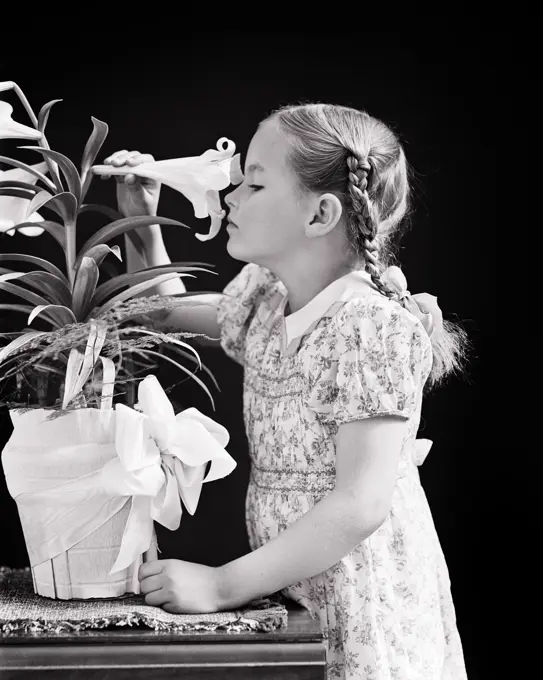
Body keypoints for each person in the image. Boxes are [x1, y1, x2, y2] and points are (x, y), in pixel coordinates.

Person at [100, 103, 469, 679]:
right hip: (293, 588)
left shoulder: (369, 326)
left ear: (321, 213)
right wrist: (142, 218)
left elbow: (361, 503)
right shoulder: (271, 301)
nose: (231, 197)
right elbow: (162, 310)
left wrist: (222, 584)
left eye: (255, 182)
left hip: (361, 601)